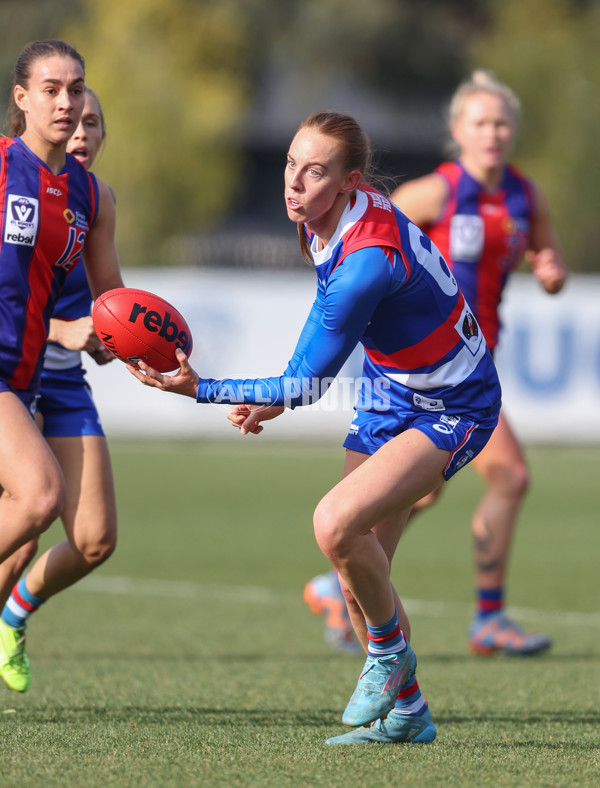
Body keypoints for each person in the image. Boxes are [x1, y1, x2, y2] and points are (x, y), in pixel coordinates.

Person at [128, 110, 502, 745]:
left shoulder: (365, 261)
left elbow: (305, 379)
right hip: (391, 390)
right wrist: (284, 393)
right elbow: (311, 361)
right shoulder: (333, 216)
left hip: (454, 405)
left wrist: (202, 388)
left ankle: (390, 662)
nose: (294, 183)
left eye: (314, 172)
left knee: (333, 523)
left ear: (350, 182)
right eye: (290, 164)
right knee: (359, 577)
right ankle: (408, 712)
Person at [386, 70, 567, 656]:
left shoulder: (524, 195)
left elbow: (545, 250)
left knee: (423, 490)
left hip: (476, 364)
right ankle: (488, 618)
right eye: (481, 122)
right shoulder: (434, 193)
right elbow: (368, 240)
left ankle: (342, 583)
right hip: (437, 370)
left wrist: (549, 270)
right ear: (457, 130)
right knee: (509, 475)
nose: (493, 132)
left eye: (502, 122)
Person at [0, 41, 124, 689]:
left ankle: (9, 619)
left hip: (28, 378)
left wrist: (130, 342)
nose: (67, 102)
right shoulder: (0, 167)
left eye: (75, 89)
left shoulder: (86, 194)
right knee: (39, 496)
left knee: (88, 534)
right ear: (21, 99)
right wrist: (64, 329)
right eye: (51, 89)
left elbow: (114, 308)